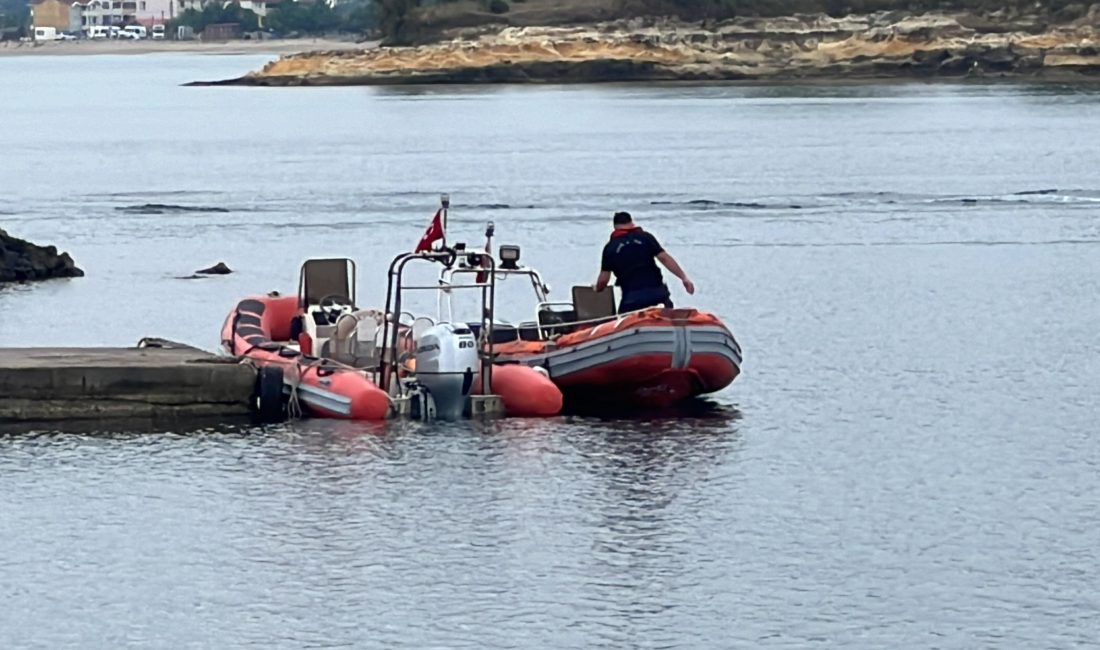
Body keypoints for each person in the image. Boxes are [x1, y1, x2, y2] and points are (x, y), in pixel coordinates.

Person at [594, 211, 695, 313]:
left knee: (621, 320)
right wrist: (684, 278)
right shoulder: (646, 238)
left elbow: (603, 280)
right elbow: (665, 259)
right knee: (666, 313)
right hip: (657, 294)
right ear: (631, 223)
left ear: (615, 227)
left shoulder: (610, 247)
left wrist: (597, 288)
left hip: (632, 298)